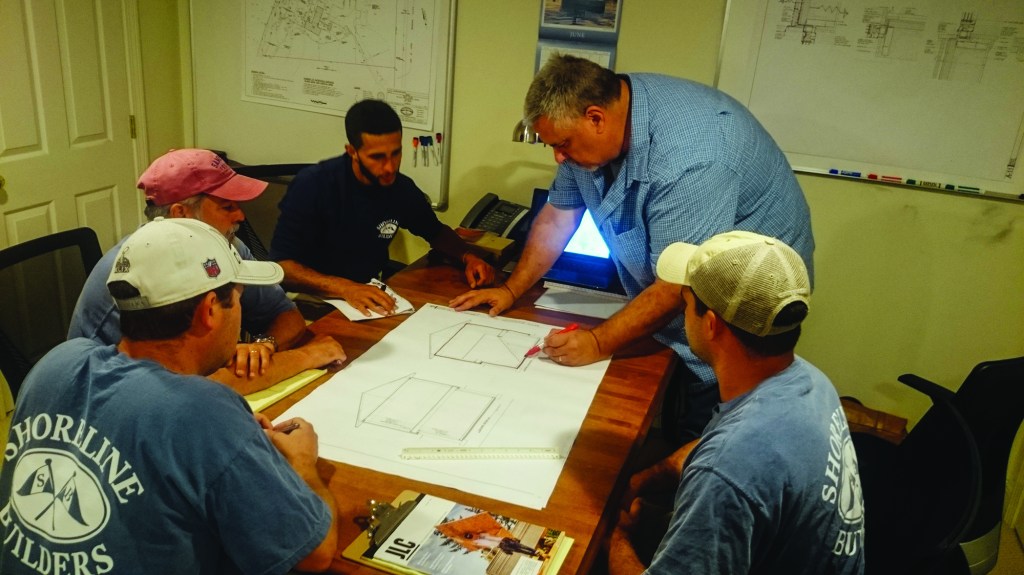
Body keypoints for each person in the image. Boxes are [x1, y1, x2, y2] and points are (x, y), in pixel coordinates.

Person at [450, 54, 815, 442]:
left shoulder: (691, 157)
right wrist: (510, 289)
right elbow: (559, 217)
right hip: (680, 299)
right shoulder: (602, 114)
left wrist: (597, 341)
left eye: (562, 144)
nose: (558, 157)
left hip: (740, 308)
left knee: (706, 434)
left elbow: (677, 282)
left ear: (595, 118)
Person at [1, 218, 339, 573]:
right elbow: (313, 555)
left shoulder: (55, 364)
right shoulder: (203, 412)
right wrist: (303, 465)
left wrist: (223, 443)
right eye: (238, 298)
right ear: (209, 310)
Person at [607, 231, 864, 575]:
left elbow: (728, 466)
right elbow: (719, 447)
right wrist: (645, 480)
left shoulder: (728, 468)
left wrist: (612, 535)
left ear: (711, 324)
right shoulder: (810, 381)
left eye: (686, 304)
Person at [68, 148, 345, 395]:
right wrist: (307, 356)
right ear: (181, 214)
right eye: (227, 206)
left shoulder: (226, 245)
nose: (241, 216)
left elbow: (286, 315)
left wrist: (264, 346)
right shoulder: (140, 277)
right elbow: (190, 389)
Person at [270, 99, 495, 317]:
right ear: (352, 152)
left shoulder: (400, 187)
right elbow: (282, 267)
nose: (389, 167)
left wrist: (468, 257)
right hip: (313, 297)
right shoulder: (313, 186)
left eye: (395, 153)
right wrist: (345, 288)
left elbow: (434, 231)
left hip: (368, 292)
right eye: (377, 157)